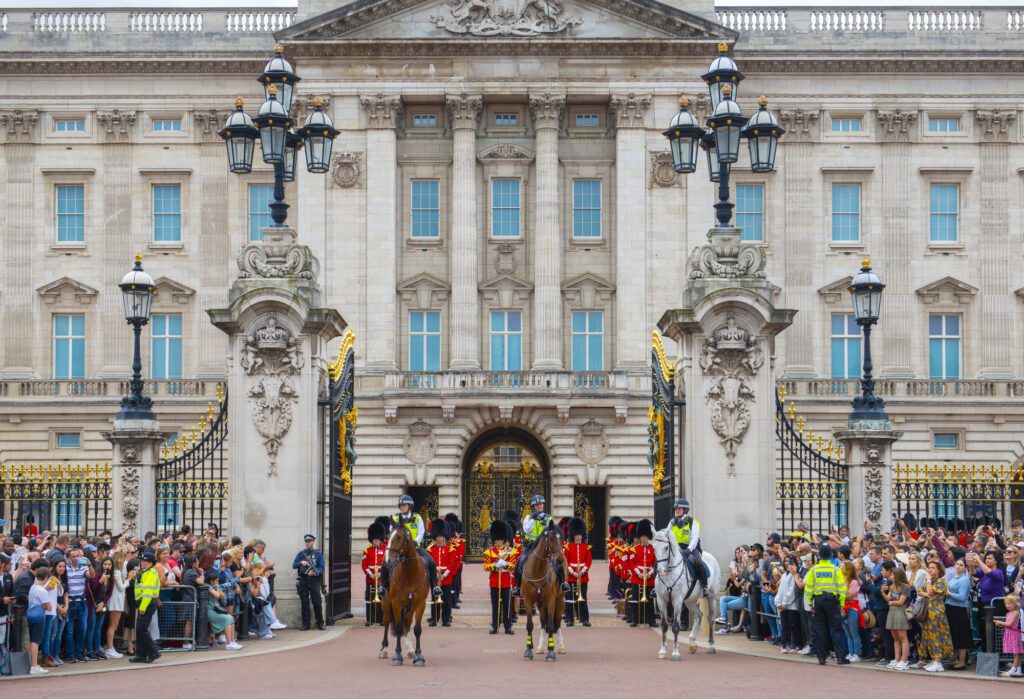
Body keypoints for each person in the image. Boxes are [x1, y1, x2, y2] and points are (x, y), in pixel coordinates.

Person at [803, 543, 850, 666]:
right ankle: (840, 657)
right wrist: (841, 603)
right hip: (832, 602)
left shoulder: (814, 570)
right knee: (836, 630)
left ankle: (821, 658)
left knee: (820, 630)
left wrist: (810, 603)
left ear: (819, 555)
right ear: (830, 555)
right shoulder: (835, 569)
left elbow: (808, 589)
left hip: (817, 602)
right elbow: (842, 588)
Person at [513, 494, 570, 595]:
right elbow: (526, 530)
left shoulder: (548, 518)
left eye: (541, 504)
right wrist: (533, 519)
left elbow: (552, 531)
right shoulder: (528, 518)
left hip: (545, 547)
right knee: (520, 562)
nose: (540, 506)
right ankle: (517, 587)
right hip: (530, 546)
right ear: (534, 507)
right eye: (537, 505)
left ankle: (563, 583)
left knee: (557, 563)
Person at [386, 495, 442, 598]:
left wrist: (415, 542)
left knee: (431, 561)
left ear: (410, 506)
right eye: (400, 505)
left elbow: (421, 531)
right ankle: (383, 587)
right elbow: (391, 532)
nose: (402, 507)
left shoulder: (417, 517)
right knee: (385, 563)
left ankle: (435, 587)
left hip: (415, 548)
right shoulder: (395, 518)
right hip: (399, 549)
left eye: (404, 505)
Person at [917, 559, 954, 672]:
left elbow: (931, 592)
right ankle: (934, 660)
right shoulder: (929, 581)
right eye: (929, 567)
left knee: (936, 635)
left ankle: (938, 661)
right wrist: (927, 594)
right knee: (929, 635)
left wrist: (928, 584)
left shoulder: (941, 581)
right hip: (928, 611)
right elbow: (920, 591)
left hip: (937, 611)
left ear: (938, 570)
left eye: (933, 567)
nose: (930, 569)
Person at [483, 520, 518, 635]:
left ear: (503, 539)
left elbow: (513, 566)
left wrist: (505, 564)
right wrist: (495, 565)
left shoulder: (510, 551)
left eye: (500, 539)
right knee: (495, 605)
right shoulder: (489, 552)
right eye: (496, 540)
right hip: (494, 582)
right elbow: (486, 567)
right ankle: (495, 626)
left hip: (506, 582)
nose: (498, 542)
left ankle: (508, 627)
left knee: (507, 606)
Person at [669, 498, 708, 597]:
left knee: (699, 563)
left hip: (690, 548)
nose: (676, 510)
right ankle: (657, 588)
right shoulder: (672, 522)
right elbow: (667, 534)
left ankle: (705, 586)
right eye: (675, 509)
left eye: (679, 508)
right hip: (675, 548)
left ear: (685, 510)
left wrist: (689, 550)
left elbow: (695, 538)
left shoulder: (692, 522)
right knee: (661, 561)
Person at [130, 551, 161, 664]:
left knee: (141, 629)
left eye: (144, 561)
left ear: (150, 563)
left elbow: (148, 592)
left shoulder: (151, 573)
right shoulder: (144, 572)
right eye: (141, 561)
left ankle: (153, 651)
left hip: (147, 604)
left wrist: (142, 607)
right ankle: (141, 654)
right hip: (142, 603)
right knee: (140, 630)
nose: (142, 563)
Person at [427, 520, 459, 627]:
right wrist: (436, 573)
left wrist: (444, 574)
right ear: (435, 537)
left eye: (441, 537)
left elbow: (452, 563)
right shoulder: (430, 549)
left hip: (446, 577)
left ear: (445, 537)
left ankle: (445, 619)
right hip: (436, 578)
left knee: (446, 600)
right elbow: (430, 563)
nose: (440, 539)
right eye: (438, 537)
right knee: (435, 598)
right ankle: (434, 619)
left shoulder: (450, 549)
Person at [563, 517, 592, 627]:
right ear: (573, 535)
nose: (578, 536)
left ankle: (585, 619)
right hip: (571, 576)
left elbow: (589, 561)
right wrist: (572, 572)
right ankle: (570, 619)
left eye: (580, 534)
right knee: (570, 599)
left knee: (583, 597)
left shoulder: (587, 547)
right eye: (576, 534)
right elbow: (566, 561)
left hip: (583, 576)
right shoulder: (568, 547)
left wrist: (582, 571)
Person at [293, 534, 325, 631]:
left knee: (317, 602)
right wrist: (300, 563)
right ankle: (305, 624)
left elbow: (321, 568)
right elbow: (294, 565)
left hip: (314, 581)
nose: (308, 543)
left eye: (309, 541)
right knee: (305, 602)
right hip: (303, 580)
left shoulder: (318, 554)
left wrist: (314, 573)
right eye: (306, 541)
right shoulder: (301, 554)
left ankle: (320, 623)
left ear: (313, 542)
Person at [944, 557, 972, 670]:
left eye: (961, 565)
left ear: (965, 567)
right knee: (954, 635)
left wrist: (948, 593)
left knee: (961, 636)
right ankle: (954, 659)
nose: (958, 566)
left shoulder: (964, 580)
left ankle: (961, 661)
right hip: (951, 608)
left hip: (959, 610)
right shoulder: (955, 577)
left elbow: (962, 597)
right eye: (957, 564)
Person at [882, 565, 911, 671]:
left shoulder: (905, 587)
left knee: (903, 637)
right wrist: (882, 592)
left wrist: (890, 602)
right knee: (895, 638)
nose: (891, 576)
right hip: (892, 612)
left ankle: (904, 661)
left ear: (898, 575)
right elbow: (888, 599)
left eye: (893, 574)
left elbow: (901, 602)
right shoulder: (892, 586)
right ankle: (897, 659)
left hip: (900, 612)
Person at [629, 519, 657, 628]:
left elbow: (655, 563)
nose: (644, 539)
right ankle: (634, 619)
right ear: (639, 538)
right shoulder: (634, 550)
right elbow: (631, 563)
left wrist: (650, 573)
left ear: (648, 537)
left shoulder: (653, 549)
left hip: (649, 578)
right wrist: (638, 573)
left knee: (650, 601)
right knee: (635, 600)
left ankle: (651, 620)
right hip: (637, 578)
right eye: (642, 537)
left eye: (645, 537)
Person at [361, 522, 387, 627]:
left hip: (381, 578)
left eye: (378, 539)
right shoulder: (367, 550)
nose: (376, 541)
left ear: (380, 539)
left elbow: (386, 564)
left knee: (381, 599)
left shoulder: (384, 550)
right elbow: (364, 564)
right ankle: (369, 619)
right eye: (374, 539)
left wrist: (381, 574)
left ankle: (381, 619)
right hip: (370, 578)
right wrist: (370, 574)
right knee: (369, 599)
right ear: (372, 539)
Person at [27, 567, 51, 675]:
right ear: (46, 577)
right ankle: (34, 666)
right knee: (36, 641)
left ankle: (32, 664)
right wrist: (45, 605)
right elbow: (49, 607)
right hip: (39, 616)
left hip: (30, 614)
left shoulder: (33, 587)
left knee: (32, 640)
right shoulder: (42, 590)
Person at [995, 593, 1022, 677]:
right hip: (1009, 634)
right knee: (1016, 654)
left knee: (1016, 654)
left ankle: (1012, 671)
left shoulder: (1016, 613)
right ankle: (1018, 670)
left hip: (1014, 635)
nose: (1007, 605)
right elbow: (1007, 625)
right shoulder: (1008, 613)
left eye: (1009, 603)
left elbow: (1010, 624)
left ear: (1015, 604)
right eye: (1006, 603)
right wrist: (1001, 625)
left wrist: (1000, 622)